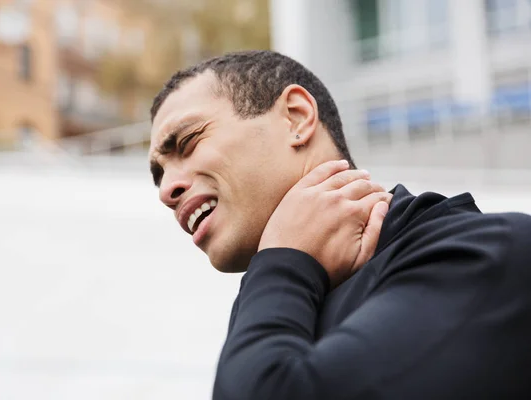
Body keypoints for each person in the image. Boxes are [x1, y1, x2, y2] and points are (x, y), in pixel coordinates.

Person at [148, 50, 531, 399]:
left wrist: (282, 262)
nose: (166, 191)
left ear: (296, 117)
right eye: (158, 176)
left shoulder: (487, 253)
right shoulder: (281, 296)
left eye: (187, 141)